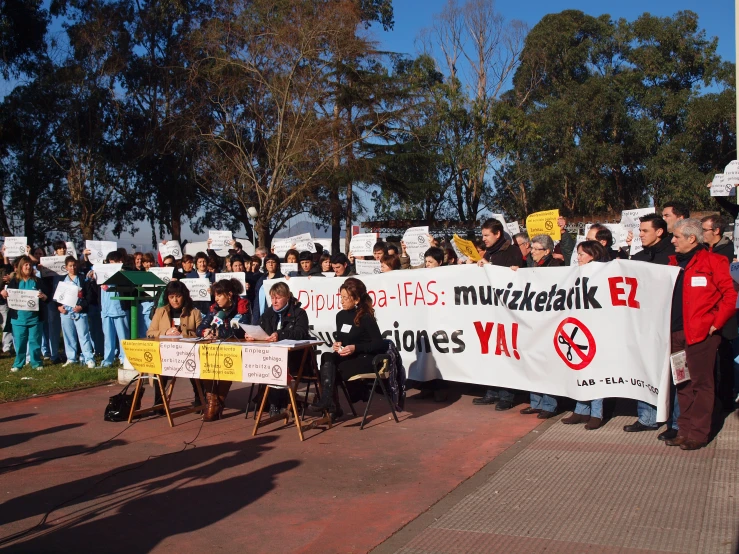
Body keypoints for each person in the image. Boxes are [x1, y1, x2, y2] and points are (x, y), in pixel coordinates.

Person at [665, 219, 737, 450]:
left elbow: (730, 295)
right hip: (675, 333)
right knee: (682, 383)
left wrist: (716, 323)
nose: (672, 240)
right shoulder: (672, 264)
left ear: (691, 238)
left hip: (700, 335)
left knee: (701, 383)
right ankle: (683, 429)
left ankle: (698, 432)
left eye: (676, 237)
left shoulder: (714, 261)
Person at [626, 214, 678, 437]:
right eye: (640, 230)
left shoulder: (673, 256)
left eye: (645, 231)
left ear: (659, 232)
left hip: (670, 324)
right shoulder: (639, 257)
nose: (640, 234)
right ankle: (647, 417)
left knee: (674, 375)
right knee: (644, 369)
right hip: (642, 325)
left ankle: (675, 423)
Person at [309, 278, 386, 421]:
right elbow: (342, 338)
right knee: (327, 357)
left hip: (364, 356)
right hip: (348, 355)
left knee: (332, 369)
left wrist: (355, 348)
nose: (342, 301)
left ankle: (333, 407)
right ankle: (329, 402)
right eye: (341, 297)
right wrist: (338, 344)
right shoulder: (341, 315)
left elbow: (379, 344)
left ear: (356, 299)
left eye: (345, 298)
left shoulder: (365, 317)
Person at [473, 218, 524, 410]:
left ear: (498, 234)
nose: (483, 239)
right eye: (483, 235)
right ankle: (492, 391)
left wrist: (489, 266)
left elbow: (512, 276)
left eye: (487, 235)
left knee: (505, 351)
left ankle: (507, 395)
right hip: (490, 310)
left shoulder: (511, 251)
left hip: (506, 312)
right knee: (491, 351)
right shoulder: (490, 252)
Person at [560, 240, 609, 430]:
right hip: (579, 326)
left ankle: (597, 412)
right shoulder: (575, 273)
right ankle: (581, 409)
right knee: (578, 368)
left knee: (595, 372)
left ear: (593, 255)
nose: (578, 258)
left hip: (597, 328)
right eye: (578, 254)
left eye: (581, 254)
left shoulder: (603, 273)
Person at [245, 282, 310, 417]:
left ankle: (275, 403)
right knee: (269, 362)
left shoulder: (299, 313)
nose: (274, 301)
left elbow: (301, 333)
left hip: (295, 357)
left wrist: (280, 334)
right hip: (271, 356)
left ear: (287, 297)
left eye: (278, 297)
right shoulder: (268, 313)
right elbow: (260, 330)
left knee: (276, 363)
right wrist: (252, 335)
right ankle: (274, 402)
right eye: (272, 298)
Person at [519, 235, 562, 419]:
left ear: (546, 251)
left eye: (536, 249)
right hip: (533, 322)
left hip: (549, 322)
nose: (532, 251)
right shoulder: (532, 266)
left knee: (546, 365)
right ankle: (535, 402)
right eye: (532, 248)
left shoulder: (556, 267)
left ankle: (549, 405)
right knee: (532, 363)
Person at [196, 278, 248, 421]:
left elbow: (241, 331)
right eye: (215, 296)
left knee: (226, 367)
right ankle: (214, 403)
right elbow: (200, 327)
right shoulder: (214, 309)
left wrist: (220, 333)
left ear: (229, 294)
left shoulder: (242, 306)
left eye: (219, 295)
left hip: (235, 350)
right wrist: (205, 332)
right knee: (205, 364)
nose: (216, 299)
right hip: (214, 349)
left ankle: (214, 404)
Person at [146, 280, 203, 408]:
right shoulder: (160, 311)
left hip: (188, 353)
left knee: (194, 369)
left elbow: (201, 333)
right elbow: (150, 332)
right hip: (165, 354)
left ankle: (199, 398)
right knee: (159, 371)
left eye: (178, 296)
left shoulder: (194, 312)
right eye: (171, 297)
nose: (175, 300)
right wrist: (165, 331)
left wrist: (183, 334)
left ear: (184, 296)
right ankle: (159, 402)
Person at [0, 255, 48, 371]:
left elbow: (48, 297)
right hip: (18, 319)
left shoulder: (38, 281)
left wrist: (43, 296)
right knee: (20, 343)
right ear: (21, 267)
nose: (28, 267)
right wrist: (3, 293)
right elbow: (6, 295)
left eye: (30, 265)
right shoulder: (14, 281)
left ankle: (36, 363)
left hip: (35, 318)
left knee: (35, 342)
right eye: (26, 265)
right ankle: (18, 364)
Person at [57, 256, 96, 368]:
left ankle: (89, 358)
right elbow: (57, 298)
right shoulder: (62, 280)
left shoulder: (83, 279)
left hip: (79, 312)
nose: (73, 268)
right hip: (66, 312)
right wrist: (59, 307)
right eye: (70, 266)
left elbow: (89, 296)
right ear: (66, 267)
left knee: (84, 335)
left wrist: (81, 306)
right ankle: (71, 358)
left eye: (74, 265)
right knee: (68, 336)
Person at [95, 251, 130, 367]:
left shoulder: (124, 273)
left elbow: (128, 287)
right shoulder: (102, 272)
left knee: (123, 337)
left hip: (119, 310)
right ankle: (108, 360)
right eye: (110, 261)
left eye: (114, 261)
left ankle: (125, 358)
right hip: (106, 310)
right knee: (108, 337)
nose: (112, 263)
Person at [250, 253, 283, 324]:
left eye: (273, 262)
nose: (270, 264)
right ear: (265, 265)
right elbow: (257, 299)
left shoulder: (282, 278)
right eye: (268, 262)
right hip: (261, 314)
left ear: (277, 264)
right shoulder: (261, 279)